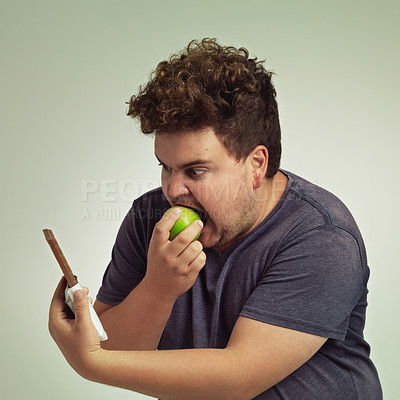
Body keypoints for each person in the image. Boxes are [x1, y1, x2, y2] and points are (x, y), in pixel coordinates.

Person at [48, 38, 383, 399]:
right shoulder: (148, 219)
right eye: (166, 167)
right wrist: (158, 289)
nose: (173, 189)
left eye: (195, 171)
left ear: (256, 164)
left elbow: (238, 378)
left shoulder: (322, 237)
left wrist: (90, 364)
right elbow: (114, 349)